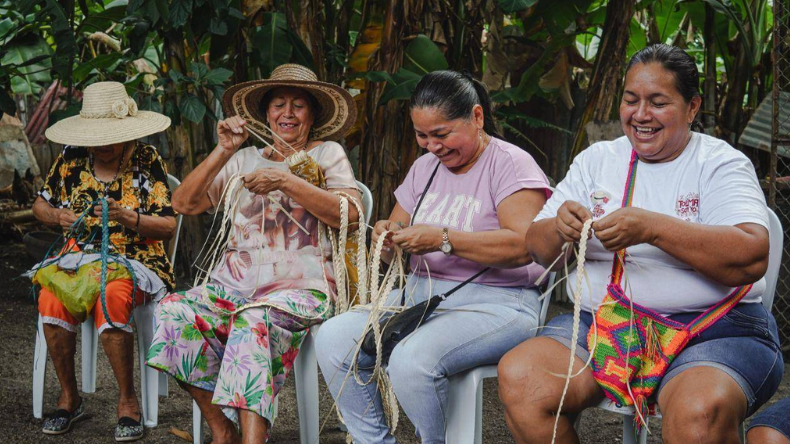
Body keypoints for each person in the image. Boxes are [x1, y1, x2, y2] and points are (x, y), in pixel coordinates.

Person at [498, 44, 784, 444]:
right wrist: (558, 228)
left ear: (692, 107)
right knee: (523, 377)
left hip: (714, 329)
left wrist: (653, 229)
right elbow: (539, 248)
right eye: (631, 100)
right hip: (604, 323)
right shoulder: (597, 160)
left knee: (698, 413)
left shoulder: (720, 163)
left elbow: (752, 254)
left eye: (659, 102)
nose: (641, 114)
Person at [315, 70, 552, 444]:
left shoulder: (510, 164)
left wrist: (443, 239)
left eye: (441, 134)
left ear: (476, 117)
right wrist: (387, 236)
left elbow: (526, 246)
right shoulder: (425, 166)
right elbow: (394, 226)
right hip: (420, 294)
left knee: (411, 360)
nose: (432, 146)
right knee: (332, 338)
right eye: (422, 135)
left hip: (500, 303)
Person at [145, 64, 359, 444]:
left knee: (252, 321)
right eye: (279, 105)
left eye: (298, 106)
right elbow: (183, 203)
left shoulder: (327, 154)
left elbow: (351, 215)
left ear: (313, 115)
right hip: (232, 285)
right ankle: (221, 430)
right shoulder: (243, 160)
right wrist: (224, 149)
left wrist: (286, 180)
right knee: (174, 311)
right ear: (266, 114)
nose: (287, 114)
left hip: (303, 288)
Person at [32, 81, 176, 441]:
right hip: (77, 258)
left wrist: (130, 218)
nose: (102, 146)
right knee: (51, 296)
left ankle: (128, 402)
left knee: (111, 294)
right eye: (96, 138)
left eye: (109, 137)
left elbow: (169, 226)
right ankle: (70, 398)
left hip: (135, 259)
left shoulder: (147, 161)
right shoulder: (70, 157)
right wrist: (57, 217)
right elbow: (40, 205)